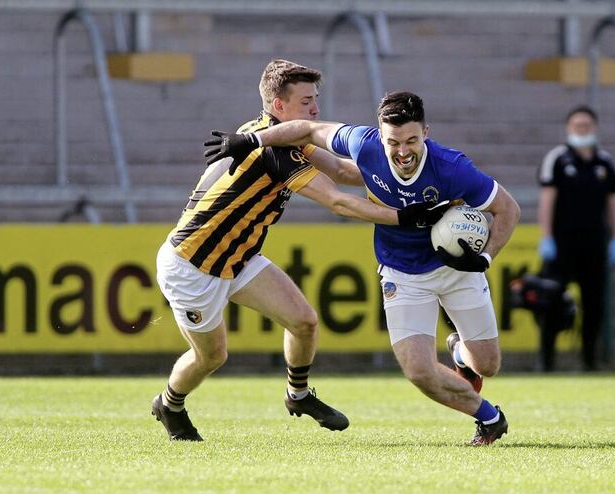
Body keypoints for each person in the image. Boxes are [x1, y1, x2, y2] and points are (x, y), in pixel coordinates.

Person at [204, 91, 521, 446]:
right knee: (419, 371)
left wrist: (485, 258)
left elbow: (508, 209)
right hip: (401, 273)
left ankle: (460, 352)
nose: (403, 151)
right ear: (380, 134)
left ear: (426, 133)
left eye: (412, 141)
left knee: (487, 366)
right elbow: (308, 128)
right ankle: (490, 419)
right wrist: (252, 139)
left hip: (456, 271)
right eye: (393, 142)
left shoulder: (453, 168)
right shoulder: (363, 143)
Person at [152, 61, 447, 441]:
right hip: (194, 264)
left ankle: (299, 395)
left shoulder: (272, 136)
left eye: (315, 100)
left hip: (238, 257)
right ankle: (169, 403)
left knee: (304, 322)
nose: (315, 111)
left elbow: (343, 172)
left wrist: (407, 164)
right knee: (212, 356)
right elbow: (338, 201)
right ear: (278, 105)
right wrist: (407, 217)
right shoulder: (275, 152)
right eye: (306, 101)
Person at [536, 104, 615, 372]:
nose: (582, 130)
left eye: (586, 126)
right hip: (562, 244)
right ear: (568, 128)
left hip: (594, 244)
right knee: (551, 300)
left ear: (594, 128)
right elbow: (547, 199)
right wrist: (546, 236)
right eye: (577, 126)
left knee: (594, 304)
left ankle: (589, 361)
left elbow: (614, 203)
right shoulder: (558, 159)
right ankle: (546, 362)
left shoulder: (605, 163)